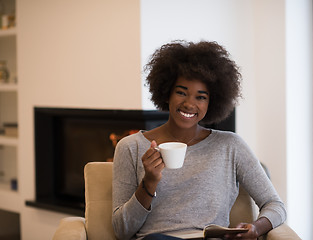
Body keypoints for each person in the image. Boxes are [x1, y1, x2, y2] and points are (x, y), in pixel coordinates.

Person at [112, 40, 286, 240]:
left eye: (200, 97)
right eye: (181, 92)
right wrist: (149, 183)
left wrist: (256, 228)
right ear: (167, 92)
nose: (189, 104)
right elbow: (121, 230)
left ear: (212, 101)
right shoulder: (131, 147)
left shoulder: (230, 145)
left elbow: (275, 205)